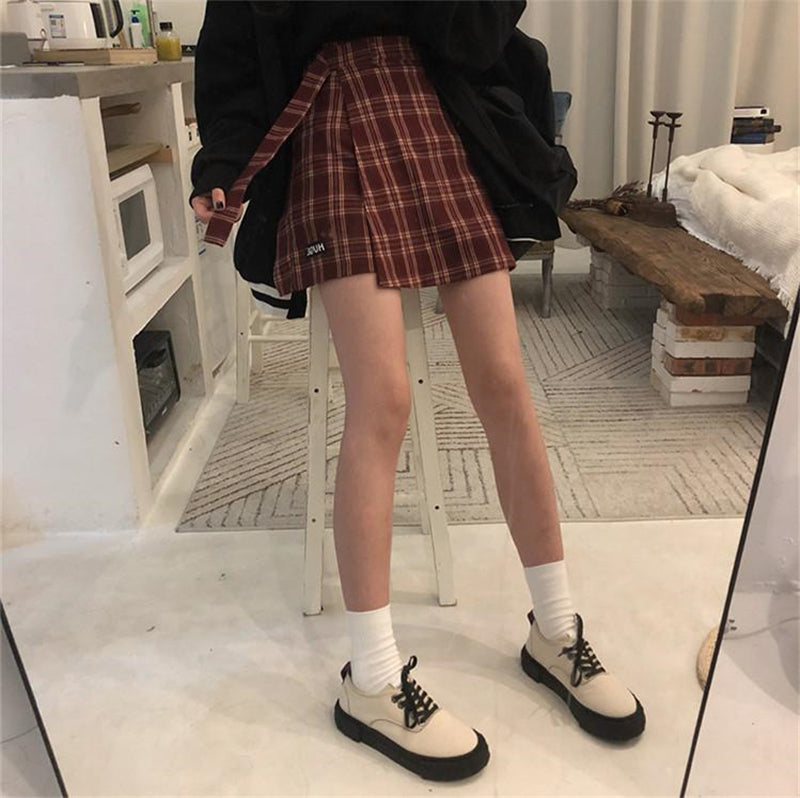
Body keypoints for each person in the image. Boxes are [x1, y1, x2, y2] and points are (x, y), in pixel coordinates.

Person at [190, 0, 645, 782]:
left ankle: (556, 631)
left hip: (434, 115)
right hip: (328, 127)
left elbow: (489, 21)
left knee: (505, 386)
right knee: (384, 401)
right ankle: (371, 681)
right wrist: (220, 168)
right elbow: (232, 55)